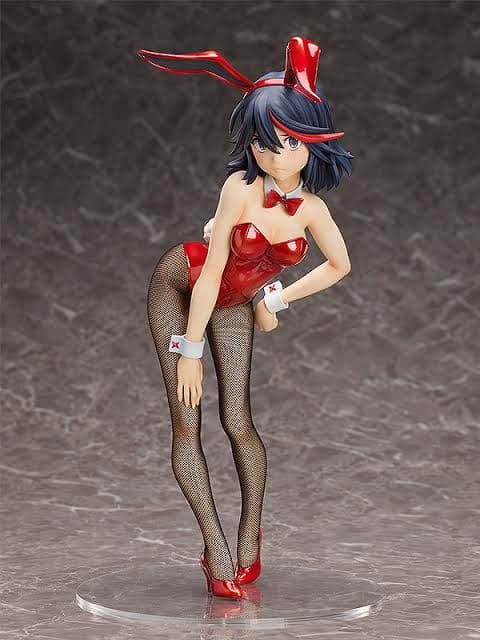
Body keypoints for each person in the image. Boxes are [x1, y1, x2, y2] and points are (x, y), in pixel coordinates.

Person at [138, 36, 353, 599]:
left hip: (234, 303)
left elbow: (339, 265)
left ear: (311, 140)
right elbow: (210, 273)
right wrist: (189, 351)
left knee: (238, 420)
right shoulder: (239, 188)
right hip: (183, 286)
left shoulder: (311, 209)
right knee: (188, 421)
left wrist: (275, 299)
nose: (274, 156)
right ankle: (215, 548)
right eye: (263, 142)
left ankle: (250, 533)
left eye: (288, 141)